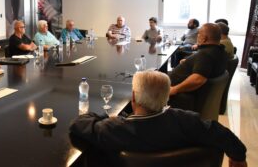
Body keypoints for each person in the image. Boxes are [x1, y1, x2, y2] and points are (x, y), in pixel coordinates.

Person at [69, 71, 247, 167]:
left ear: (133, 97)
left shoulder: (115, 128)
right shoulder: (186, 120)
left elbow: (79, 123)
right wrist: (238, 156)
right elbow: (221, 133)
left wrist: (110, 118)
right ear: (167, 97)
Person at [169, 23, 228, 110]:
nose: (197, 36)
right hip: (187, 92)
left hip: (180, 96)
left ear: (204, 38)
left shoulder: (205, 55)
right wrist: (190, 63)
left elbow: (198, 80)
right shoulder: (220, 51)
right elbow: (206, 67)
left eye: (199, 34)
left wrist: (175, 89)